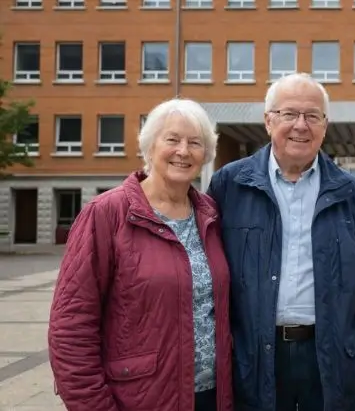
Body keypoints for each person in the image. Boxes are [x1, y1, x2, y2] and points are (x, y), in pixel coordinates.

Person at [207, 72, 355, 411]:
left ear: (325, 125)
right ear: (268, 121)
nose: (301, 125)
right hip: (253, 363)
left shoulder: (351, 194)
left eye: (312, 116)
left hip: (332, 364)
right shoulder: (229, 186)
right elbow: (206, 280)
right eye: (289, 114)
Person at [48, 98, 234, 411]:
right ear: (149, 146)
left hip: (212, 397)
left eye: (195, 143)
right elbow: (70, 328)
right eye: (172, 139)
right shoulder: (107, 214)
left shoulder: (210, 215)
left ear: (206, 154)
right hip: (141, 399)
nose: (183, 151)